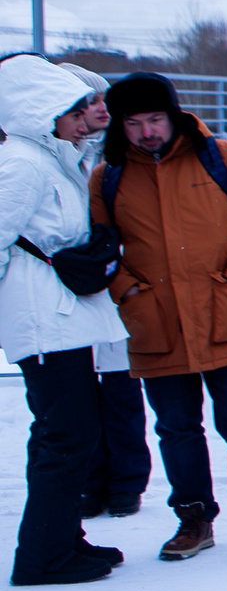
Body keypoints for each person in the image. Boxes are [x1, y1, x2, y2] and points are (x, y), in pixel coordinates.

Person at [95, 71, 227, 563]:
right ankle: (192, 519)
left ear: (174, 115)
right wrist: (128, 291)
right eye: (134, 122)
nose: (146, 131)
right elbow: (98, 247)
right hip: (157, 324)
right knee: (176, 429)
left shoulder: (223, 157)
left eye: (155, 119)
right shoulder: (108, 176)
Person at [2, 55, 130, 584]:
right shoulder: (22, 164)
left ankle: (60, 539)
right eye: (72, 112)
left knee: (66, 433)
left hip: (57, 317)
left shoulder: (52, 159)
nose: (84, 121)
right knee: (65, 435)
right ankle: (42, 557)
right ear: (40, 111)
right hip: (42, 321)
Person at [55, 64, 148, 518]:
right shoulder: (55, 155)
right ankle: (92, 483)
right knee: (80, 398)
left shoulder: (116, 156)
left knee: (121, 389)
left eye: (101, 101)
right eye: (88, 104)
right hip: (73, 286)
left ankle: (127, 483)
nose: (99, 110)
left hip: (114, 286)